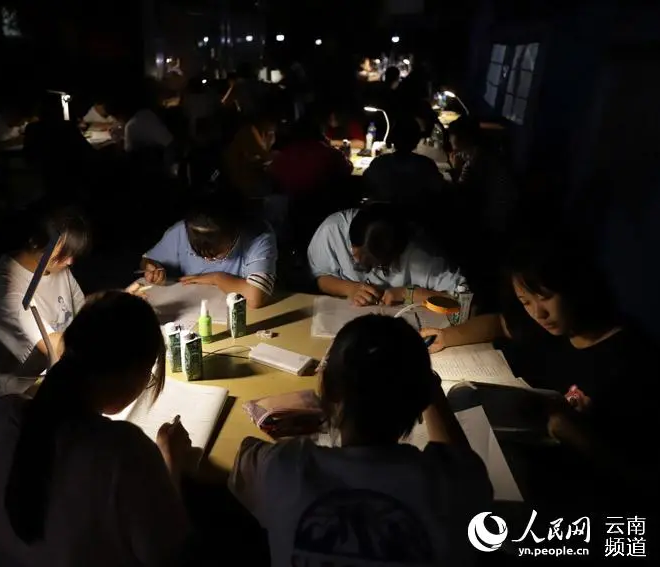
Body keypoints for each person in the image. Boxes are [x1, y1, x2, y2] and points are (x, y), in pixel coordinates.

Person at [229, 314, 492, 566]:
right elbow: (457, 460)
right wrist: (431, 390)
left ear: (328, 392)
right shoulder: (457, 485)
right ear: (421, 399)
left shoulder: (284, 466)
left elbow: (245, 455)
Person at [420, 232, 657, 500]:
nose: (537, 313)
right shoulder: (546, 327)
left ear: (577, 285)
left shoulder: (631, 360)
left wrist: (577, 435)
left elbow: (643, 476)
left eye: (545, 297)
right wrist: (447, 337)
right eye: (525, 302)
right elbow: (500, 323)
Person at [0, 291, 192, 567]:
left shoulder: (0, 416)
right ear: (133, 375)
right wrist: (170, 462)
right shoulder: (125, 452)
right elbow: (170, 555)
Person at [0, 205, 90, 396]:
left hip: (73, 369)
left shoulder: (56, 267)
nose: (70, 262)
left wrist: (117, 299)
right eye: (64, 254)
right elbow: (55, 347)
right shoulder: (5, 291)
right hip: (28, 394)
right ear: (34, 242)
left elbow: (85, 309)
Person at [308, 204, 464, 306]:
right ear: (352, 244)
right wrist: (351, 289)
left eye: (377, 264)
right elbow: (321, 276)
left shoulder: (421, 254)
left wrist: (406, 293)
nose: (358, 263)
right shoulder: (332, 230)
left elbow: (462, 300)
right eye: (359, 259)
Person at [141, 192, 278, 308]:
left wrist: (216, 278)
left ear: (234, 233)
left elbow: (255, 297)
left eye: (215, 253)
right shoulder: (180, 231)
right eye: (197, 251)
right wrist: (152, 268)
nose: (207, 259)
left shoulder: (257, 237)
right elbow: (147, 260)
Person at [447, 115, 516, 237]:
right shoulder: (481, 151)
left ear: (464, 138)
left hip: (490, 224)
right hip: (499, 215)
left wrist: (455, 170)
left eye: (452, 135)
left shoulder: (475, 161)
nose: (449, 139)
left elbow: (460, 194)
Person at [363, 113, 444, 206]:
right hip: (415, 217)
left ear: (392, 138)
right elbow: (438, 187)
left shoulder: (379, 163)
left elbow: (366, 182)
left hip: (382, 217)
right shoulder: (426, 165)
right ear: (416, 140)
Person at [223, 111, 277, 198]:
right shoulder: (249, 131)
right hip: (242, 179)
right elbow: (264, 155)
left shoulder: (268, 133)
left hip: (253, 174)